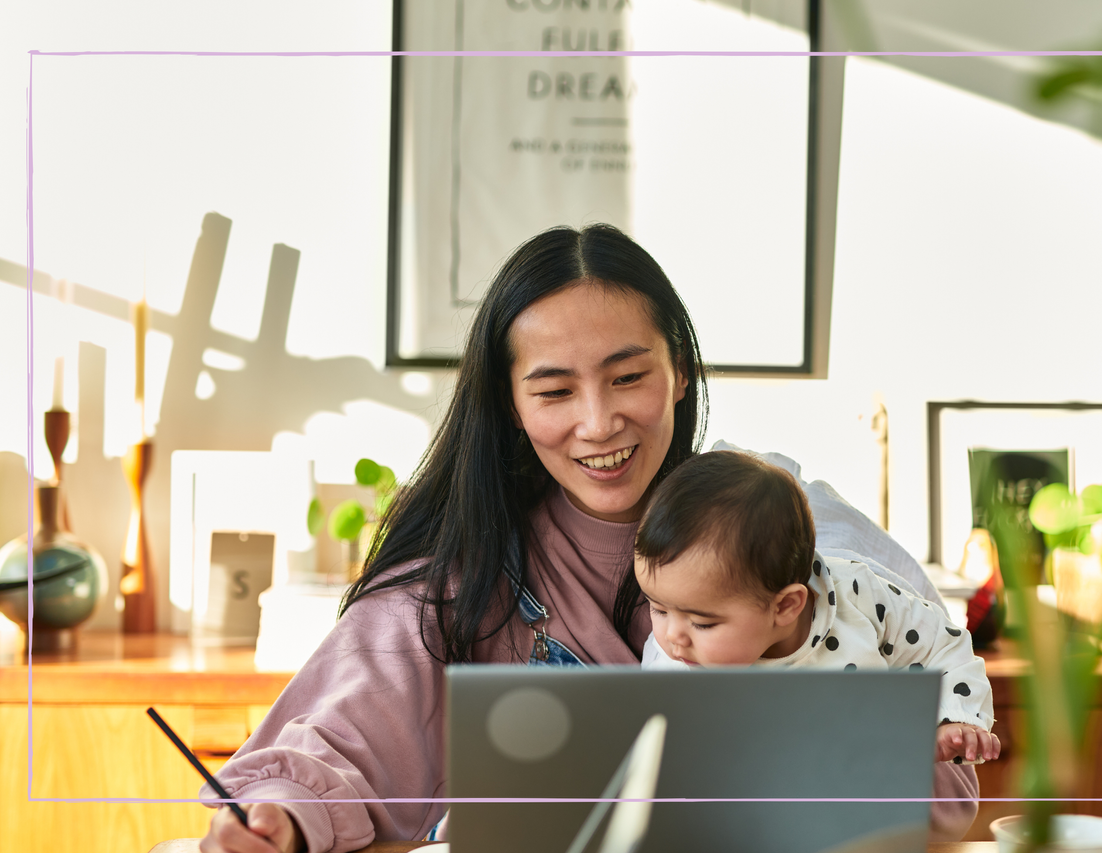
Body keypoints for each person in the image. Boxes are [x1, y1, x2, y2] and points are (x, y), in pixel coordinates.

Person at [200, 224, 980, 853]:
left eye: (628, 376)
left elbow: (944, 773)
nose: (599, 421)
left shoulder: (797, 522)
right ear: (508, 402)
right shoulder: (459, 572)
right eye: (554, 390)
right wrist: (279, 817)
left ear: (679, 370)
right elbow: (333, 743)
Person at [635, 450, 1000, 765]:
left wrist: (955, 721)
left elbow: (944, 645)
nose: (672, 637)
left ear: (785, 606)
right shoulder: (672, 664)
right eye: (659, 610)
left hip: (863, 797)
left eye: (701, 624)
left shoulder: (860, 595)